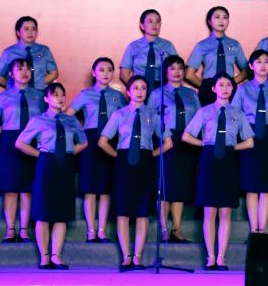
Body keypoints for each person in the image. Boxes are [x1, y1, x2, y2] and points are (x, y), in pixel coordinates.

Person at [98, 75, 173, 271]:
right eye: (136, 88)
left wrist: (151, 155)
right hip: (124, 161)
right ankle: (126, 257)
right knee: (123, 210)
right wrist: (118, 156)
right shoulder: (119, 114)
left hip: (145, 161)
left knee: (142, 212)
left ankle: (138, 257)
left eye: (143, 88)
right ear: (128, 92)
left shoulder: (153, 115)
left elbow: (168, 142)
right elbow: (102, 141)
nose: (140, 92)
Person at [182, 72, 255, 271]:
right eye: (221, 85)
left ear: (233, 89)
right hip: (209, 159)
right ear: (214, 88)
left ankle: (221, 258)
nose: (225, 88)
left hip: (228, 161)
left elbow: (249, 141)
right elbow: (186, 136)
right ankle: (210, 257)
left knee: (225, 211)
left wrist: (232, 148)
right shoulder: (205, 111)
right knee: (209, 211)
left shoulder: (238, 113)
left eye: (228, 85)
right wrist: (204, 144)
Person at [16, 83, 88, 270]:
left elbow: (83, 142)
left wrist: (68, 154)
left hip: (65, 166)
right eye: (55, 95)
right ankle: (44, 257)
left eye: (63, 94)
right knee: (43, 212)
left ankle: (56, 256)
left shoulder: (71, 120)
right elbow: (20, 143)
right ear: (46, 98)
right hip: (46, 165)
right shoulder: (38, 120)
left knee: (61, 213)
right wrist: (40, 155)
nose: (60, 98)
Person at [231, 49, 268, 233]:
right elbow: (234, 114)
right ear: (251, 66)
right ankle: (253, 229)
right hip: (250, 135)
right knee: (251, 185)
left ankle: (262, 231)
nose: (263, 65)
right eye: (259, 61)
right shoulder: (243, 89)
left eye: (266, 61)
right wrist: (246, 128)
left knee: (266, 186)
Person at [67, 57, 126, 243]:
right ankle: (91, 231)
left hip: (110, 141)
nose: (106, 73)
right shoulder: (85, 95)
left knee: (105, 188)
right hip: (91, 140)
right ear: (94, 73)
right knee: (90, 188)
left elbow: (128, 117)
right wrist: (80, 132)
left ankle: (101, 230)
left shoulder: (118, 96)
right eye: (101, 70)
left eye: (109, 70)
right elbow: (68, 116)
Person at [0, 58, 44, 243]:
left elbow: (46, 120)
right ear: (11, 74)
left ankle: (24, 230)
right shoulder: (4, 96)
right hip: (10, 143)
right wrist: (7, 135)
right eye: (20, 69)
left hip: (32, 143)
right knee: (10, 189)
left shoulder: (39, 96)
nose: (24, 72)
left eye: (27, 68)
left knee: (27, 190)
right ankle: (10, 230)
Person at [148, 55, 201, 243]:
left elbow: (200, 117)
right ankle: (164, 229)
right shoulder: (157, 94)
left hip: (186, 140)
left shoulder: (192, 94)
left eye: (180, 68)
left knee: (180, 185)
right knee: (164, 184)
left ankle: (177, 229)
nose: (177, 72)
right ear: (165, 72)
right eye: (172, 68)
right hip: (165, 139)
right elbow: (149, 118)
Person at [186, 6, 248, 106]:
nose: (221, 20)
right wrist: (206, 86)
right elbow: (189, 74)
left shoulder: (235, 44)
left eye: (225, 17)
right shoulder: (202, 45)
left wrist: (232, 82)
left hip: (229, 89)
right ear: (209, 22)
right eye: (217, 17)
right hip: (209, 89)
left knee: (230, 114)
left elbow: (246, 70)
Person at [0, 16, 59, 91]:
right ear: (18, 32)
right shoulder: (9, 52)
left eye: (33, 29)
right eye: (26, 29)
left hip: (38, 94)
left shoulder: (44, 50)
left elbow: (54, 73)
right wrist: (14, 87)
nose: (30, 32)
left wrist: (37, 86)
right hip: (17, 95)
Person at [120, 9, 178, 93]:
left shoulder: (168, 46)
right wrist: (136, 89)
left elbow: (177, 70)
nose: (154, 24)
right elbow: (124, 73)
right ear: (142, 26)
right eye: (150, 21)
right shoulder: (133, 46)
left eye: (157, 21)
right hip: (140, 89)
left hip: (162, 89)